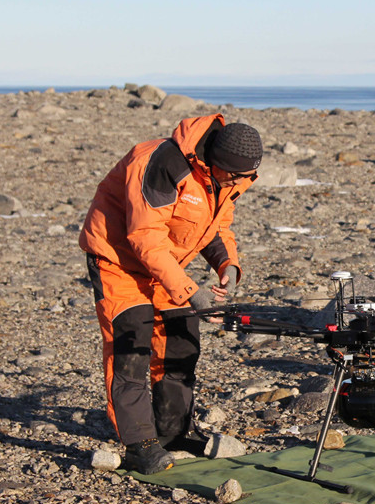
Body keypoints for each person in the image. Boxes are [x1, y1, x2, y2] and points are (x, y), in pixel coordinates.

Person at [79, 116, 263, 474]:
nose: (240, 184)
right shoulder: (162, 164)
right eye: (235, 177)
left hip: (167, 263)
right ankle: (139, 444)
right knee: (130, 347)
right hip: (118, 260)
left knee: (181, 342)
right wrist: (191, 292)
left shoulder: (226, 177)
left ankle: (174, 434)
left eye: (246, 177)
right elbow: (144, 237)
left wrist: (227, 264)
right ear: (216, 162)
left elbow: (214, 226)